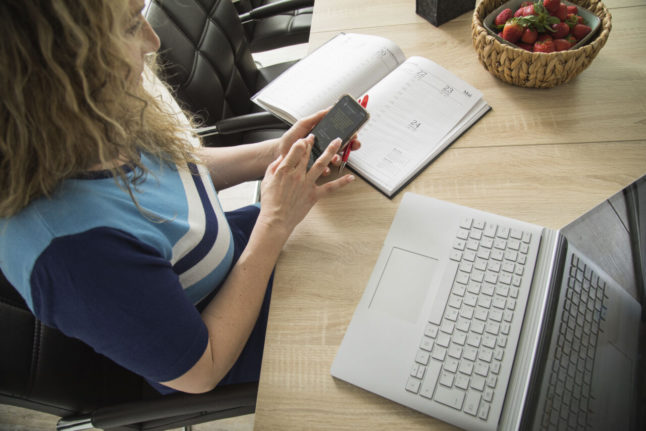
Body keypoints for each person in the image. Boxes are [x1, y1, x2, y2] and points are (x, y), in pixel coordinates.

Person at [0, 0, 359, 394]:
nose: (153, 41)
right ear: (56, 68)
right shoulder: (72, 252)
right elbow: (203, 369)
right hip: (238, 335)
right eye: (129, 26)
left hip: (246, 251)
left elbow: (173, 168)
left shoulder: (86, 117)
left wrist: (272, 155)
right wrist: (274, 223)